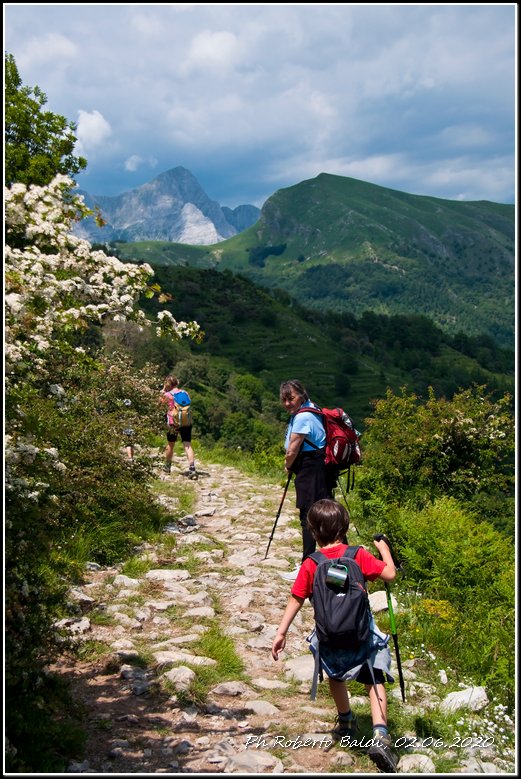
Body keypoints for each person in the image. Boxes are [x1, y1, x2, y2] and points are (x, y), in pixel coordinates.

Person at [271, 498, 398, 773]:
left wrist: (281, 632)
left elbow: (296, 598)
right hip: (361, 633)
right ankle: (380, 735)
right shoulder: (357, 555)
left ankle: (346, 721)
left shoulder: (311, 563)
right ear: (345, 527)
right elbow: (390, 574)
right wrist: (385, 550)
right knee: (374, 678)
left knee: (334, 674)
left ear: (313, 532)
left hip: (329, 635)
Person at [279, 379, 334, 580]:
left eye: (291, 398)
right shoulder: (313, 409)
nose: (287, 403)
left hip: (310, 469)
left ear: (301, 395)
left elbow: (292, 449)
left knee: (309, 517)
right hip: (321, 467)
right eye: (284, 399)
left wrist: (288, 465)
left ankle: (307, 567)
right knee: (328, 514)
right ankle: (344, 560)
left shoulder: (302, 417)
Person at [161, 375, 197, 479]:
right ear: (177, 383)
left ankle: (167, 467)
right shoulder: (185, 393)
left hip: (173, 423)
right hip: (186, 422)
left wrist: (162, 392)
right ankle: (192, 469)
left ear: (167, 384)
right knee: (187, 444)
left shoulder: (167, 395)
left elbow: (159, 405)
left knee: (171, 445)